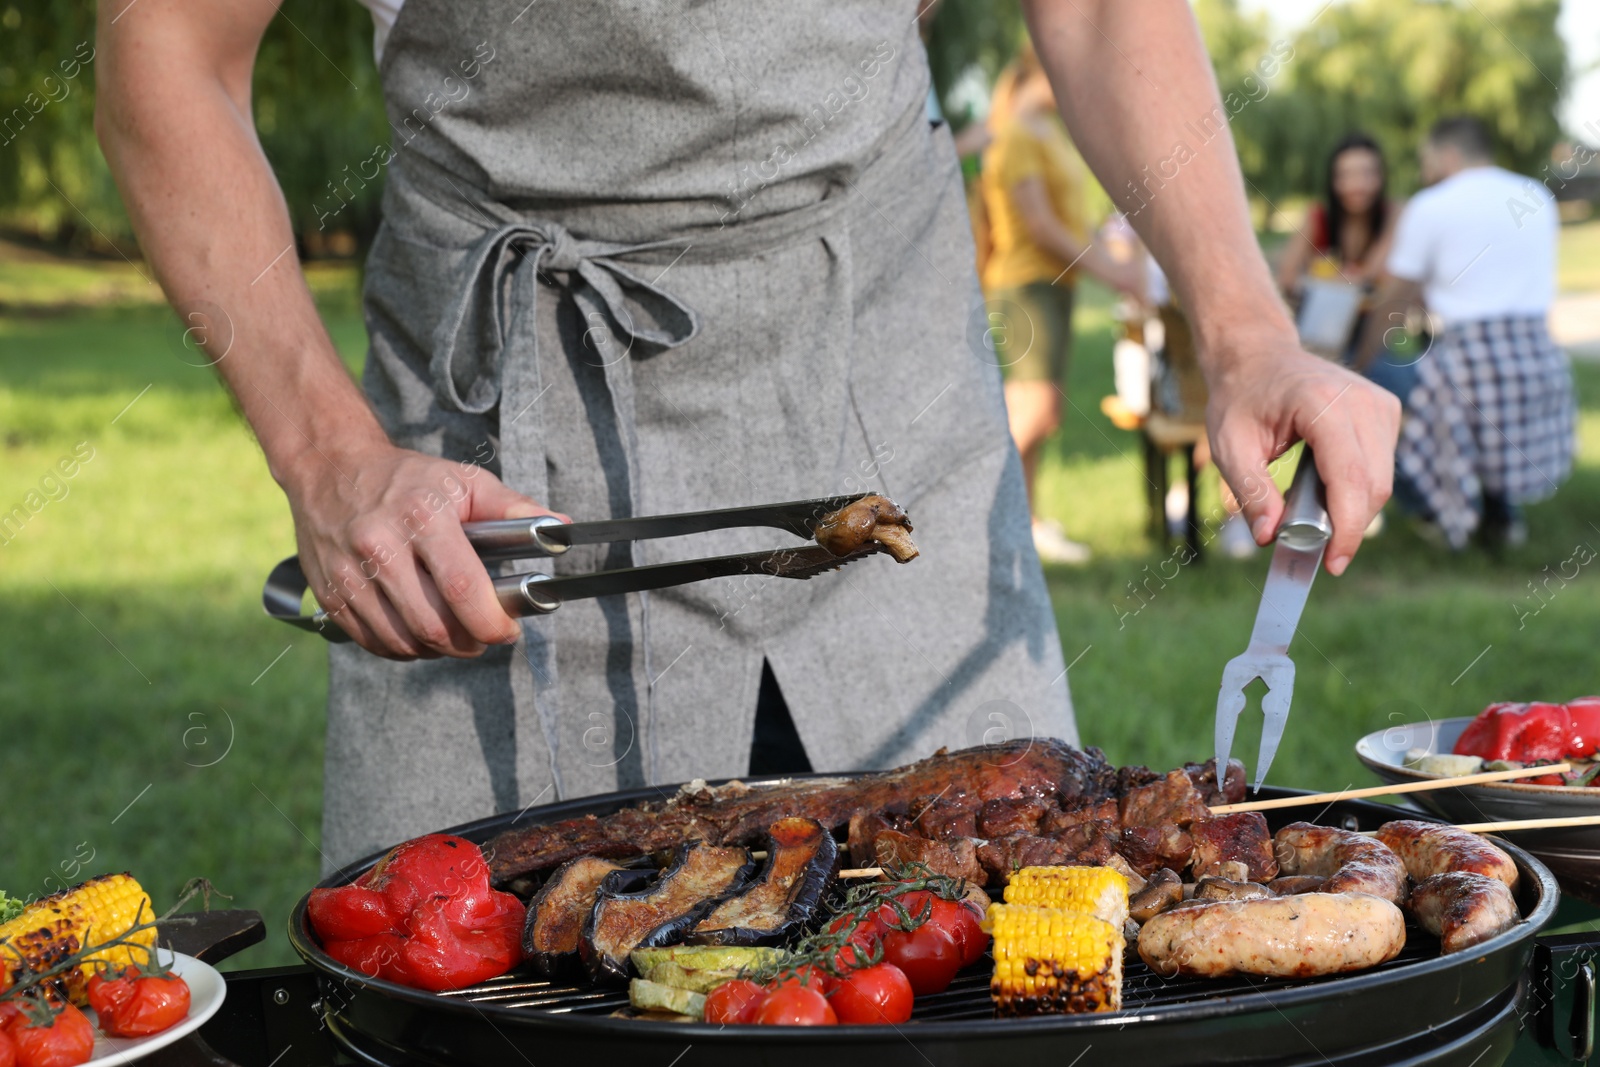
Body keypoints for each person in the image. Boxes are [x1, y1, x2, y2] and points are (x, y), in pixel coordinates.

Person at [96, 0, 1399, 869]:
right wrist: (331, 461)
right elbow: (166, 44)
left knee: (990, 947)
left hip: (878, 356)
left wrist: (1243, 325)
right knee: (486, 969)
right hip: (494, 433)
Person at [1357, 116, 1575, 550]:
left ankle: (1436, 511)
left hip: (1471, 362)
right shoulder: (1538, 195)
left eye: (1426, 161)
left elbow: (1395, 301)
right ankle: (1500, 510)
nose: (1424, 172)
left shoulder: (1431, 204)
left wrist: (1357, 363)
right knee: (1452, 380)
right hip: (1539, 360)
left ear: (1448, 155)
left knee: (1374, 383)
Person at [979, 43, 1144, 564]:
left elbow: (1073, 219)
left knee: (1039, 414)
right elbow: (1041, 227)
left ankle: (1021, 524)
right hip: (1026, 286)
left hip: (1057, 287)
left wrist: (1116, 254)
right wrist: (1111, 273)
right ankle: (980, 518)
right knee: (1034, 411)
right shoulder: (1018, 135)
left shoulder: (1051, 134)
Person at [1276, 133, 1397, 296]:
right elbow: (1286, 277)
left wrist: (1319, 279)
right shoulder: (1317, 218)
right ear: (1333, 181)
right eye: (1346, 175)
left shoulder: (1393, 215)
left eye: (1367, 174)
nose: (1357, 185)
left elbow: (1370, 274)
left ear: (1381, 177)